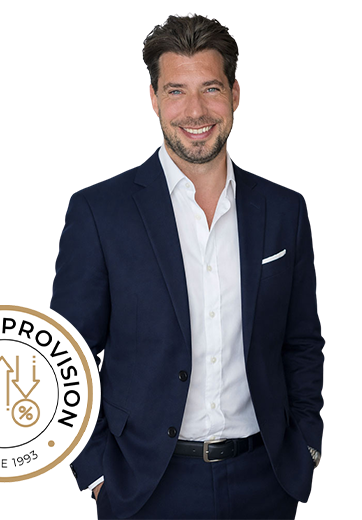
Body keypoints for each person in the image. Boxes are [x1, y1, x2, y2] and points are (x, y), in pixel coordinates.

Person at [49, 13, 323, 519]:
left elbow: (301, 340)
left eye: (210, 88)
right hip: (146, 487)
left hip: (268, 481)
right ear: (154, 99)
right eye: (176, 91)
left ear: (235, 96)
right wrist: (99, 474)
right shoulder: (98, 211)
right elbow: (68, 356)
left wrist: (305, 446)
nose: (195, 110)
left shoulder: (284, 211)